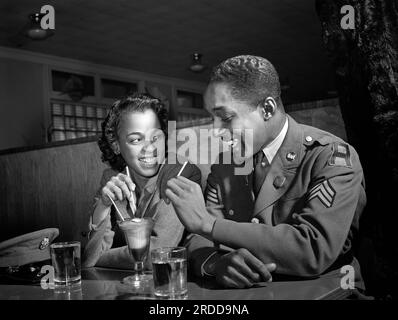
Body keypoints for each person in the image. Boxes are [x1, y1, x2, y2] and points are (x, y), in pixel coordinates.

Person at [165, 55, 366, 289]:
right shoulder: (226, 164)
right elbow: (196, 238)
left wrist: (211, 225)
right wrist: (215, 263)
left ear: (267, 109)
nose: (217, 131)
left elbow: (313, 250)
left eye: (226, 118)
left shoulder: (329, 156)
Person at [82, 93, 201, 269]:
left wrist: (101, 258)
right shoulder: (112, 180)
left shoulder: (180, 172)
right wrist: (103, 206)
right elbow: (88, 258)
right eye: (136, 139)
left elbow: (158, 253)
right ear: (116, 145)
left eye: (156, 137)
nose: (150, 148)